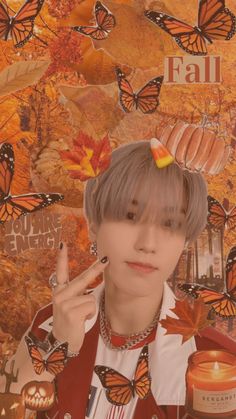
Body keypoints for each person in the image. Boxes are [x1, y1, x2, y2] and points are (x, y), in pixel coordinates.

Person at [0, 140, 235, 419]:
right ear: (95, 225)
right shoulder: (52, 325)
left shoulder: (217, 359)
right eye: (130, 216)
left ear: (185, 241)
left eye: (169, 224)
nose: (148, 244)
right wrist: (56, 348)